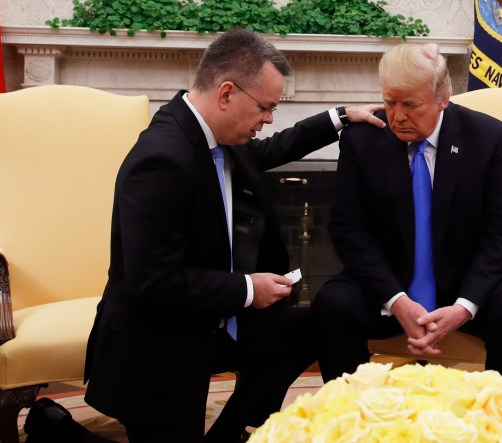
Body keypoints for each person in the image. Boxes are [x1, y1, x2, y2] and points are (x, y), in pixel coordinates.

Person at [80, 27, 384, 443]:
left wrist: (341, 116)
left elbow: (271, 149)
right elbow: (155, 282)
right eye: (266, 107)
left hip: (211, 323)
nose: (270, 119)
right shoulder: (161, 161)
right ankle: (54, 428)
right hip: (157, 348)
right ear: (226, 94)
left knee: (313, 326)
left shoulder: (214, 135)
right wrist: (246, 289)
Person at [311, 42, 502, 393]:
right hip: (390, 279)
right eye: (390, 102)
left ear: (442, 98)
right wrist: (397, 301)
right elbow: (348, 230)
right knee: (333, 305)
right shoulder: (361, 139)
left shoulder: (488, 137)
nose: (397, 116)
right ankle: (355, 416)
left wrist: (464, 307)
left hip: (468, 276)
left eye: (411, 104)